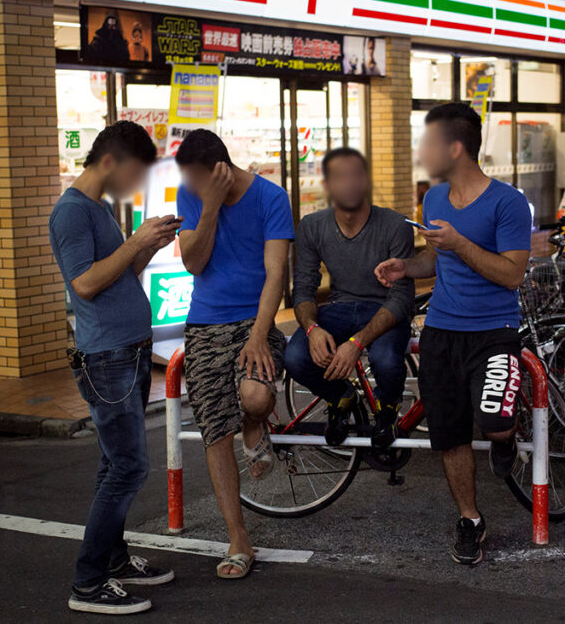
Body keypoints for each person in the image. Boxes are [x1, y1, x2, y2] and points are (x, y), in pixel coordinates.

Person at [375, 103, 531, 566]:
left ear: (455, 148)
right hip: (442, 330)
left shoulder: (508, 202)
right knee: (449, 434)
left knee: (494, 420)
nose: (423, 151)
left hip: (495, 332)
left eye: (429, 142)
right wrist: (408, 268)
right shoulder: (434, 199)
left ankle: (506, 440)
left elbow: (512, 275)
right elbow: (435, 261)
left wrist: (461, 243)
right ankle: (471, 519)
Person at [49, 121, 179, 615]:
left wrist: (146, 248)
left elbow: (116, 276)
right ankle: (88, 582)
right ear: (111, 162)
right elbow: (83, 284)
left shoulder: (98, 207)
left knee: (115, 463)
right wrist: (134, 243)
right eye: (135, 172)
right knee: (127, 467)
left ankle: (115, 559)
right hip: (107, 356)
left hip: (126, 349)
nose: (136, 183)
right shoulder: (71, 213)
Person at [175, 129, 294, 579]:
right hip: (205, 323)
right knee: (213, 430)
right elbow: (194, 262)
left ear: (220, 170)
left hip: (255, 320)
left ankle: (255, 424)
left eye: (196, 180)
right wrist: (207, 206)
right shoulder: (194, 197)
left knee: (258, 397)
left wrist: (260, 335)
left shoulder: (270, 198)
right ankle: (239, 538)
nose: (188, 187)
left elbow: (275, 272)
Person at [284, 148, 415, 448]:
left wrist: (357, 343)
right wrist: (312, 329)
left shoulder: (395, 225)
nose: (349, 183)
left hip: (385, 310)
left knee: (385, 359)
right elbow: (303, 289)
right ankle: (341, 396)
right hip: (340, 307)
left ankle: (388, 409)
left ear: (366, 181)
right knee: (294, 356)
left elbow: (401, 297)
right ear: (328, 185)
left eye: (356, 175)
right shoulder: (312, 226)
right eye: (340, 177)